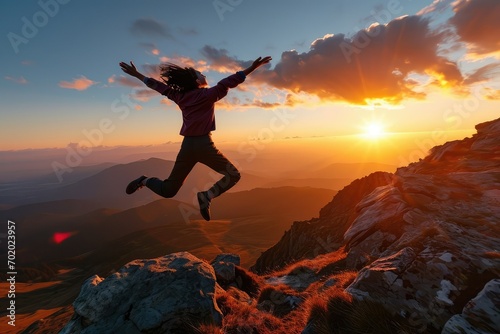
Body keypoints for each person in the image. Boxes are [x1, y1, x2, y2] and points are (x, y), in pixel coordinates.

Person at [119, 56, 272, 221]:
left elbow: (157, 86)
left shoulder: (179, 96)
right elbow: (231, 80)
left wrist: (137, 75)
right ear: (196, 80)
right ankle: (207, 196)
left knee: (168, 191)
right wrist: (253, 67)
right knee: (233, 175)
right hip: (204, 145)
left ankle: (144, 180)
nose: (203, 74)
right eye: (200, 73)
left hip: (187, 147)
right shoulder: (209, 94)